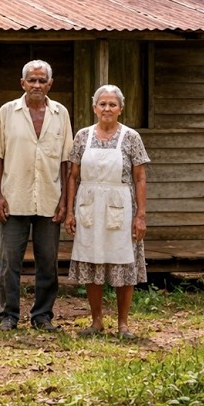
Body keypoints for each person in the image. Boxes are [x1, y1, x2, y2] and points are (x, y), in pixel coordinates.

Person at [0, 59, 73, 332]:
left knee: (48, 261)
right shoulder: (7, 112)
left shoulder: (61, 114)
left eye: (41, 80)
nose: (36, 85)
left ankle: (42, 316)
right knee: (9, 261)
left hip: (49, 198)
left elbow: (66, 162)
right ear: (22, 83)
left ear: (50, 84)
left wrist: (64, 201)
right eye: (31, 80)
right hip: (14, 199)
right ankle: (8, 315)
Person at [63, 84, 151, 338]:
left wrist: (141, 215)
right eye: (102, 104)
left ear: (121, 109)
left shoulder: (131, 137)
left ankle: (123, 323)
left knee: (123, 260)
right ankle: (97, 320)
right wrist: (69, 211)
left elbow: (140, 177)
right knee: (93, 258)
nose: (107, 108)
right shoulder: (83, 136)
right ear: (94, 108)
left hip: (120, 204)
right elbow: (73, 176)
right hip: (89, 204)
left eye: (112, 104)